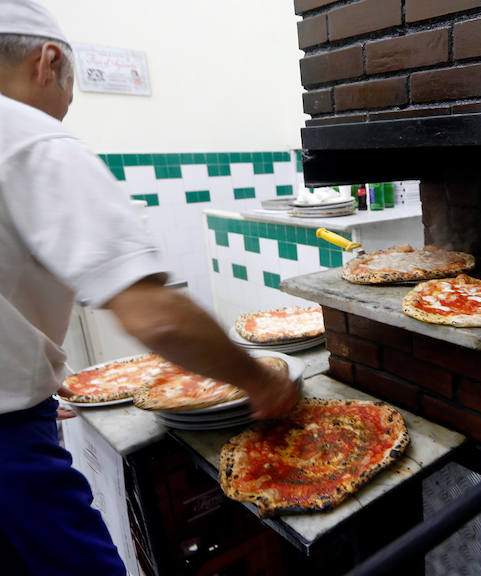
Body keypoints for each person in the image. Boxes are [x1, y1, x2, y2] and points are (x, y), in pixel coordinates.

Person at [0, 1, 300, 574]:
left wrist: (31, 381)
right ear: (48, 60)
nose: (66, 107)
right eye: (71, 88)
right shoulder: (32, 138)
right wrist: (260, 382)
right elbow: (156, 317)